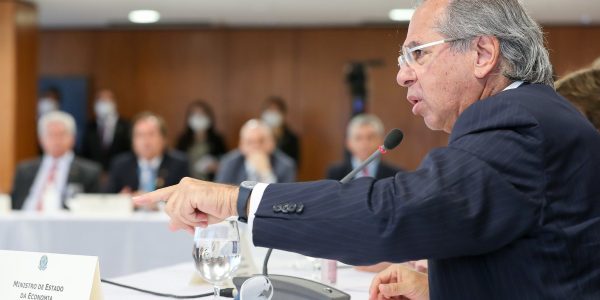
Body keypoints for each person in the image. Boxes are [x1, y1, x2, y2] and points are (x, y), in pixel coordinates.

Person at [135, 0, 600, 299]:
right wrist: (437, 285)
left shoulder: (516, 120)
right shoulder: (532, 114)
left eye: (417, 53)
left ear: (482, 54)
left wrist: (236, 200)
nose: (402, 75)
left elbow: (393, 214)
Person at [11, 111, 101, 211]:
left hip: (65, 224)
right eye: (51, 135)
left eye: (62, 134)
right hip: (24, 222)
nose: (56, 140)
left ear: (73, 138)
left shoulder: (88, 172)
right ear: (41, 139)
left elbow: (93, 209)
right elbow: (14, 204)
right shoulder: (24, 170)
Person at [105, 112, 188, 205]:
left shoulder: (178, 164)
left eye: (151, 134)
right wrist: (122, 199)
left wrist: (156, 202)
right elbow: (106, 200)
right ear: (132, 141)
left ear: (164, 139)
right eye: (139, 135)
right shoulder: (120, 164)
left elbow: (185, 198)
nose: (145, 140)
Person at [215, 119, 296, 185]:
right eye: (250, 142)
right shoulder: (229, 163)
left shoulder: (286, 165)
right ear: (241, 145)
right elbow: (220, 194)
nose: (256, 146)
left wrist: (266, 173)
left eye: (261, 141)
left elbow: (286, 200)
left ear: (272, 143)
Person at [327, 114, 401, 181]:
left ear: (381, 141)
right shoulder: (335, 173)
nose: (364, 143)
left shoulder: (396, 175)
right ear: (348, 143)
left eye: (370, 137)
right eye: (358, 138)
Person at [80, 89, 132, 171]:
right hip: (94, 174)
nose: (103, 104)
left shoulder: (126, 126)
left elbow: (129, 152)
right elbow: (84, 153)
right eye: (101, 101)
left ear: (114, 103)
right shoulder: (90, 127)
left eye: (107, 100)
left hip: (120, 172)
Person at [176, 101, 227, 181]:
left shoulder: (217, 140)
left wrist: (216, 166)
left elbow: (226, 162)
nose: (198, 118)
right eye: (195, 114)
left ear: (209, 117)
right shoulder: (183, 140)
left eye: (202, 114)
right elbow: (176, 162)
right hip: (187, 184)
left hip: (211, 183)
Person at [260, 96, 301, 164]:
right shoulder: (254, 135)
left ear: (283, 114)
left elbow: (294, 164)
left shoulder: (291, 138)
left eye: (275, 110)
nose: (272, 114)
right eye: (269, 110)